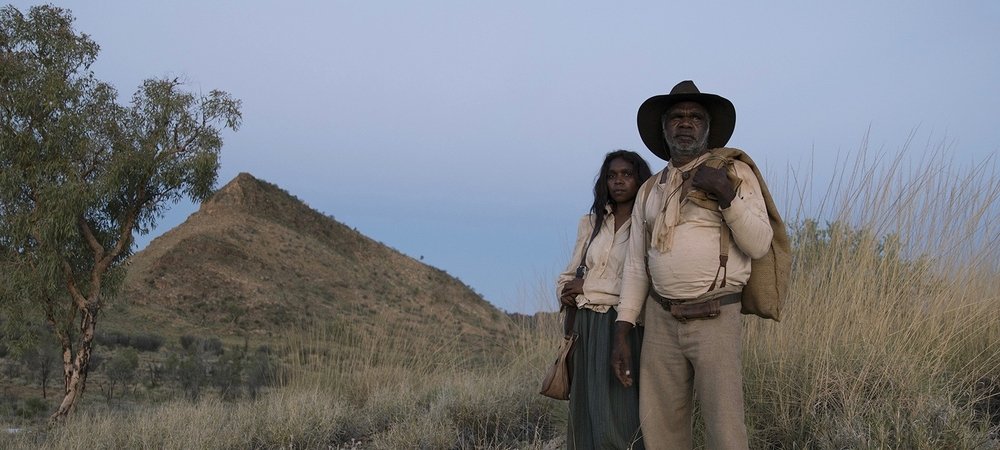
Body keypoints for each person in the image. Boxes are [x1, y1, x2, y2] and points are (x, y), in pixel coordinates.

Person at [610, 81, 775, 449]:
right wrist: (622, 329)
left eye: (695, 117)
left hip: (716, 315)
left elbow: (759, 244)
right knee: (660, 427)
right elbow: (637, 265)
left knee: (725, 428)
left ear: (707, 128)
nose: (686, 123)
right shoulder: (651, 189)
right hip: (661, 320)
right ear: (665, 129)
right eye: (677, 117)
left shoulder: (732, 172)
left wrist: (726, 193)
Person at [557, 149, 652, 449]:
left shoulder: (648, 223)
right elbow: (567, 277)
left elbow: (639, 281)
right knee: (588, 409)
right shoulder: (591, 222)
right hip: (586, 325)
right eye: (612, 176)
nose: (618, 181)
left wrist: (588, 287)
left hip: (624, 324)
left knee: (622, 410)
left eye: (626, 174)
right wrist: (568, 290)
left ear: (639, 179)